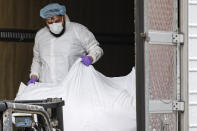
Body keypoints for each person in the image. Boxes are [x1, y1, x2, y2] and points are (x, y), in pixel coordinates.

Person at [27, 3, 103, 85]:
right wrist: (34, 75)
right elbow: (37, 60)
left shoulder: (77, 30)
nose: (54, 24)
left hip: (73, 86)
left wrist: (91, 57)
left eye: (56, 21)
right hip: (47, 87)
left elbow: (96, 48)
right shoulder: (40, 35)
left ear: (63, 17)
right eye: (50, 22)